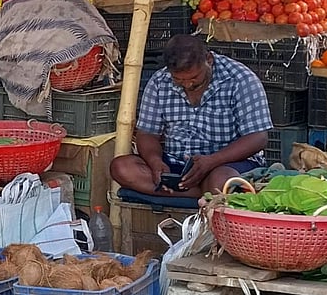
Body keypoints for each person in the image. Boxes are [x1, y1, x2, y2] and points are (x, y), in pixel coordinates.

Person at [110, 35, 273, 198]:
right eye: (178, 80)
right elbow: (147, 133)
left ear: (209, 60)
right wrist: (155, 162)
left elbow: (258, 137)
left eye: (194, 78)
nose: (188, 84)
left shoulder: (240, 79)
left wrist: (212, 160)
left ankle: (186, 191)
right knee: (121, 167)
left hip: (227, 163)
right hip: (175, 164)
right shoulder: (159, 81)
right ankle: (201, 193)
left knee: (221, 181)